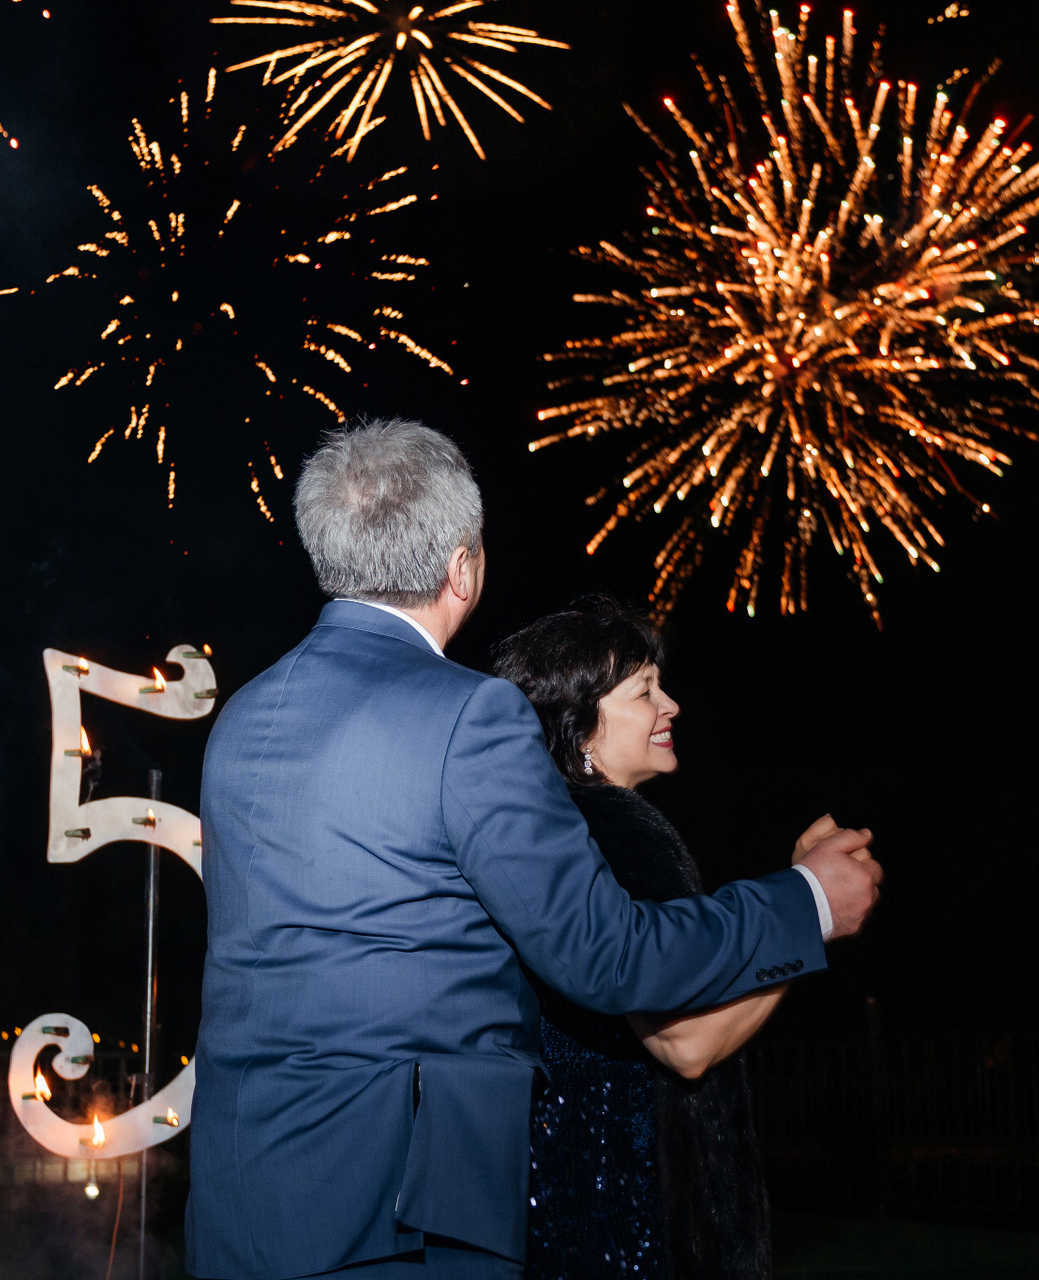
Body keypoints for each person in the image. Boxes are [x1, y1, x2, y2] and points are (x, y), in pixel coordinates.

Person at [185, 420, 882, 1280]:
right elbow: (608, 955)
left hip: (242, 1200)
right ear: (463, 568)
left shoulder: (243, 717)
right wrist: (805, 901)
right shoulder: (469, 715)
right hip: (401, 1212)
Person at [494, 596, 828, 1280]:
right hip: (634, 1217)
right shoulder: (617, 830)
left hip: (566, 1204)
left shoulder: (552, 835)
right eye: (645, 691)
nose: (670, 705)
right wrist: (810, 910)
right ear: (581, 727)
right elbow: (688, 1043)